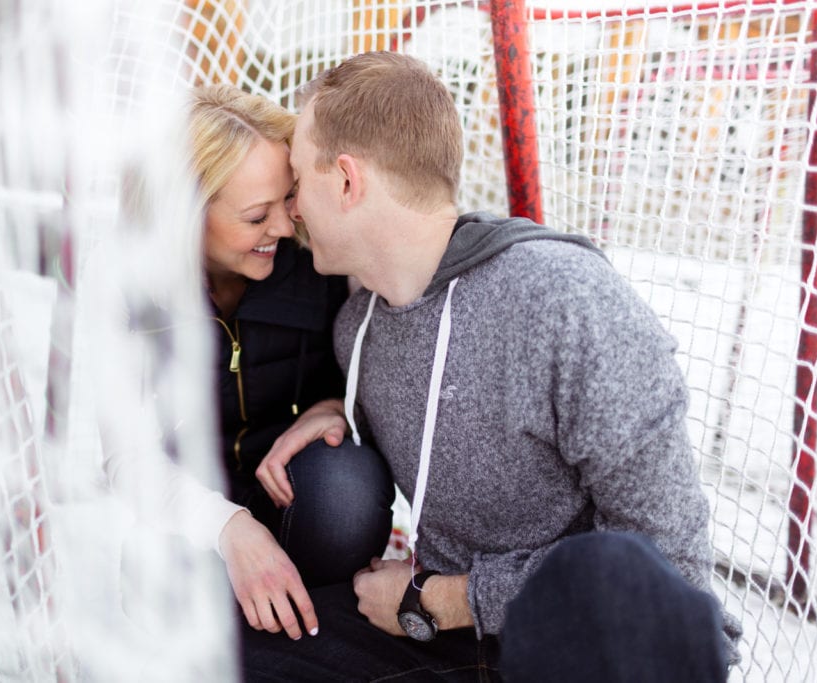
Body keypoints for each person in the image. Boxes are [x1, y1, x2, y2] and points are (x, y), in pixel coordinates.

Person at [245, 52, 742, 681]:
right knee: (221, 659)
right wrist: (332, 408)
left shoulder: (565, 304)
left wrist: (446, 599)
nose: (291, 211)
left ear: (346, 181)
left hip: (585, 650)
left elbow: (667, 573)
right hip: (444, 640)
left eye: (297, 184)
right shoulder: (359, 326)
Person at [138, 83, 394, 642]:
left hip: (280, 494)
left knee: (347, 489)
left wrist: (332, 408)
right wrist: (228, 527)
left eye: (288, 200)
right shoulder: (126, 290)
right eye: (257, 216)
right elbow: (111, 460)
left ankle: (300, 627)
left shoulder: (315, 261)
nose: (283, 227)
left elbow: (367, 370)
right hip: (170, 517)